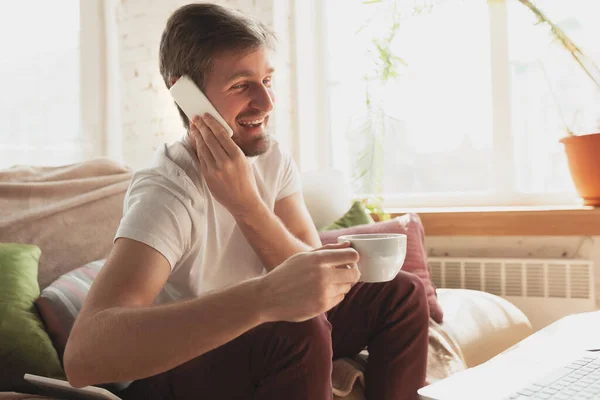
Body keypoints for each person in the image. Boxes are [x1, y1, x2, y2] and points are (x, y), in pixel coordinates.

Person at [63, 3, 430, 399]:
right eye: (241, 85)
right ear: (186, 95)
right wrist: (264, 299)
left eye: (267, 80)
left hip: (260, 340)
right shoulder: (168, 190)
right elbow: (85, 355)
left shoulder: (272, 158)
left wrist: (247, 205)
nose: (266, 103)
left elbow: (312, 283)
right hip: (179, 367)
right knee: (295, 328)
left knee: (401, 294)